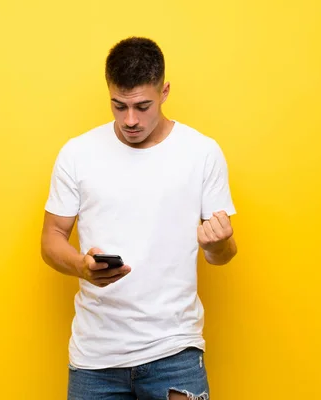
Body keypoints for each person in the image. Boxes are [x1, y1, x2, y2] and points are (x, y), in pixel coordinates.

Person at [41, 36, 238, 400]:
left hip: (175, 352)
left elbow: (222, 255)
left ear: (164, 91)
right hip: (95, 357)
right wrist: (82, 267)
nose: (130, 120)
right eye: (119, 106)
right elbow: (52, 238)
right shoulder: (78, 153)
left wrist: (219, 242)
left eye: (142, 106)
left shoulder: (201, 152)